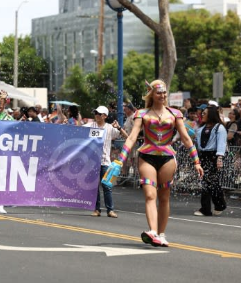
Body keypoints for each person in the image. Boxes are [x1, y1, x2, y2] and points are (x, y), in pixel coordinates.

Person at [118, 79, 203, 247]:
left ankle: (161, 234)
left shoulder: (175, 114)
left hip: (167, 158)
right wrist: (120, 160)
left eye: (164, 92)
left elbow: (186, 138)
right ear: (152, 94)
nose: (162, 95)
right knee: (150, 195)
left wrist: (197, 162)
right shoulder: (142, 114)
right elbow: (132, 137)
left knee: (164, 197)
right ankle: (153, 231)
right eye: (159, 92)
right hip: (146, 156)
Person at [83, 105, 127, 218]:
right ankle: (96, 209)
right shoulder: (90, 125)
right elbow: (77, 129)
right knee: (94, 187)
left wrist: (119, 127)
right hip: (92, 161)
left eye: (99, 114)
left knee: (107, 186)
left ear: (105, 116)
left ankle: (110, 210)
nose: (96, 115)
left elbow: (127, 137)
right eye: (95, 113)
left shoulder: (109, 128)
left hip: (105, 161)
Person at [194, 106, 227, 216]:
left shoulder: (219, 128)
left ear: (211, 114)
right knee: (209, 182)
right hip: (203, 155)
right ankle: (220, 204)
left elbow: (221, 143)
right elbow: (198, 142)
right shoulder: (201, 128)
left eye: (205, 113)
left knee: (208, 182)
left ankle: (206, 209)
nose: (202, 115)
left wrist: (219, 158)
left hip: (214, 155)